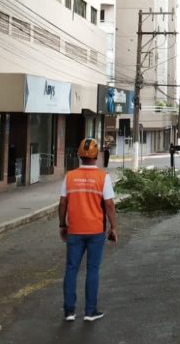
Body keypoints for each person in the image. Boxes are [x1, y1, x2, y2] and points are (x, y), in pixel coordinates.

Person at [59, 138, 118, 323]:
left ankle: (69, 311)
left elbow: (62, 203)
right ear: (96, 155)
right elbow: (109, 204)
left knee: (71, 269)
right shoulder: (103, 177)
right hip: (95, 231)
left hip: (75, 230)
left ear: (79, 155)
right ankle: (90, 311)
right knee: (92, 270)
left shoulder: (69, 176)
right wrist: (113, 227)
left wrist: (63, 225)